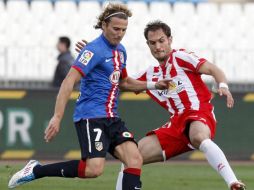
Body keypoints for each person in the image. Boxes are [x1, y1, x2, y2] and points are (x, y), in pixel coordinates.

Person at [8, 5, 170, 190]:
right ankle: (37, 170)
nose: (120, 34)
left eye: (124, 30)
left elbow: (124, 83)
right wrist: (57, 116)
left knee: (134, 159)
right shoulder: (92, 50)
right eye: (116, 29)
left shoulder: (121, 51)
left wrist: (153, 85)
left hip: (111, 117)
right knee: (93, 169)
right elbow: (69, 81)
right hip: (91, 117)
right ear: (104, 25)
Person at [113, 21, 246, 190]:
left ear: (170, 40)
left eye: (161, 40)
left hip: (199, 113)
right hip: (176, 124)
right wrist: (96, 60)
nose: (158, 46)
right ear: (148, 45)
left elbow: (214, 69)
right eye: (153, 43)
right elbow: (123, 83)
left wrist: (223, 86)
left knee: (198, 137)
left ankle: (233, 182)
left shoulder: (181, 57)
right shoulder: (149, 73)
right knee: (130, 157)